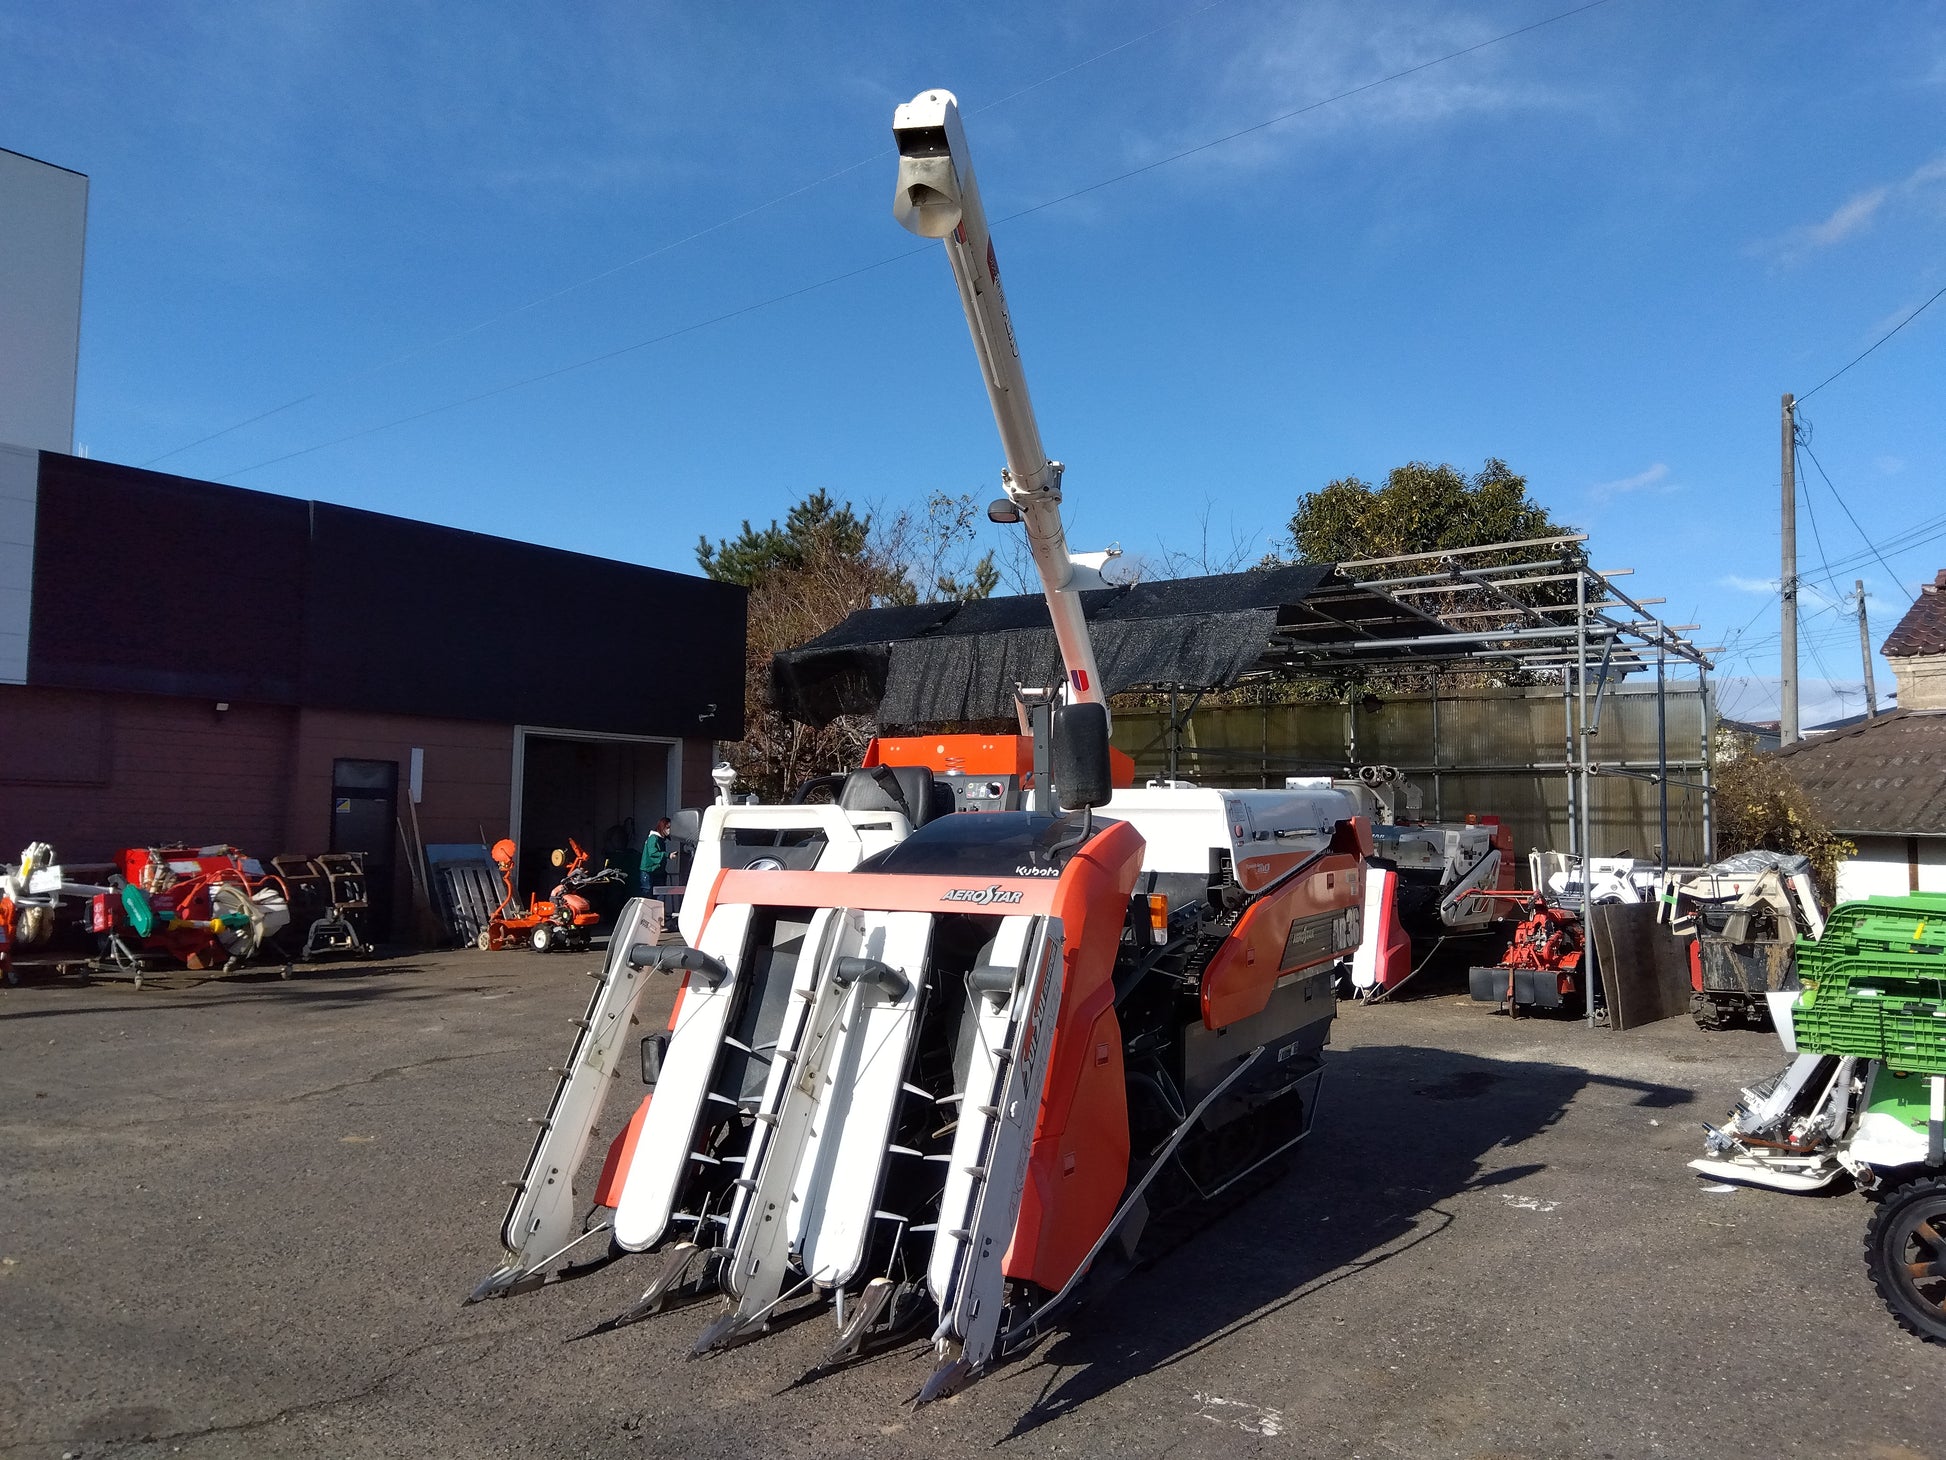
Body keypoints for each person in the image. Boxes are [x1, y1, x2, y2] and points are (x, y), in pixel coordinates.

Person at [639, 816, 673, 901]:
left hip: (657, 871)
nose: (669, 830)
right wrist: (668, 855)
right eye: (667, 828)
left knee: (658, 895)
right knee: (647, 896)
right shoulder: (653, 838)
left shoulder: (660, 839)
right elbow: (653, 853)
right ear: (662, 828)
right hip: (648, 871)